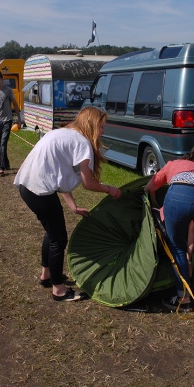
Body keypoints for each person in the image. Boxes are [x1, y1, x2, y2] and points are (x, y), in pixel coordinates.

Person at [14, 106, 122, 302]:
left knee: (52, 232)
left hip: (29, 186)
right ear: (92, 125)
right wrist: (109, 189)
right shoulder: (82, 143)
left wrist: (72, 205)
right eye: (102, 127)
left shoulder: (66, 134)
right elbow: (88, 183)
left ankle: (46, 275)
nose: (103, 132)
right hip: (38, 189)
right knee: (58, 238)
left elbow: (59, 175)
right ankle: (59, 290)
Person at [144, 145, 194, 313]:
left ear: (184, 158)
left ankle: (183, 299)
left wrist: (154, 202)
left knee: (177, 247)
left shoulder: (173, 164)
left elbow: (150, 187)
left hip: (180, 195)